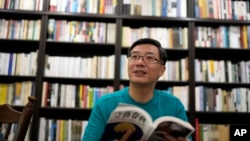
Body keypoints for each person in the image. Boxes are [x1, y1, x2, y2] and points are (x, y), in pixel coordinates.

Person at [82, 38, 192, 141]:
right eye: (134, 57)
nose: (139, 63)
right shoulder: (105, 104)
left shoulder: (174, 105)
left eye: (150, 58)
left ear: (162, 70)